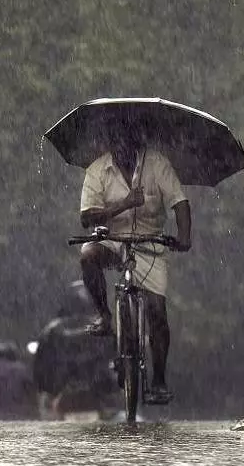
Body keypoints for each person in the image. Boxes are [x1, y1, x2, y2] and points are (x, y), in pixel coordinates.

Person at [78, 128, 192, 405]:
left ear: (138, 143)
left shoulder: (158, 164)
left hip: (149, 243)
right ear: (110, 146)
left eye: (129, 144)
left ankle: (159, 380)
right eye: (117, 144)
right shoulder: (97, 170)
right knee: (87, 254)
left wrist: (184, 237)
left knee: (157, 313)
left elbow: (180, 202)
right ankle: (105, 316)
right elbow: (86, 218)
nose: (124, 151)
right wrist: (123, 204)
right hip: (113, 240)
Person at [32, 281, 117, 419]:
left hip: (63, 394)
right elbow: (116, 361)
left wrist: (47, 389)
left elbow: (40, 369)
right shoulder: (104, 328)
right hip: (97, 394)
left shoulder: (51, 330)